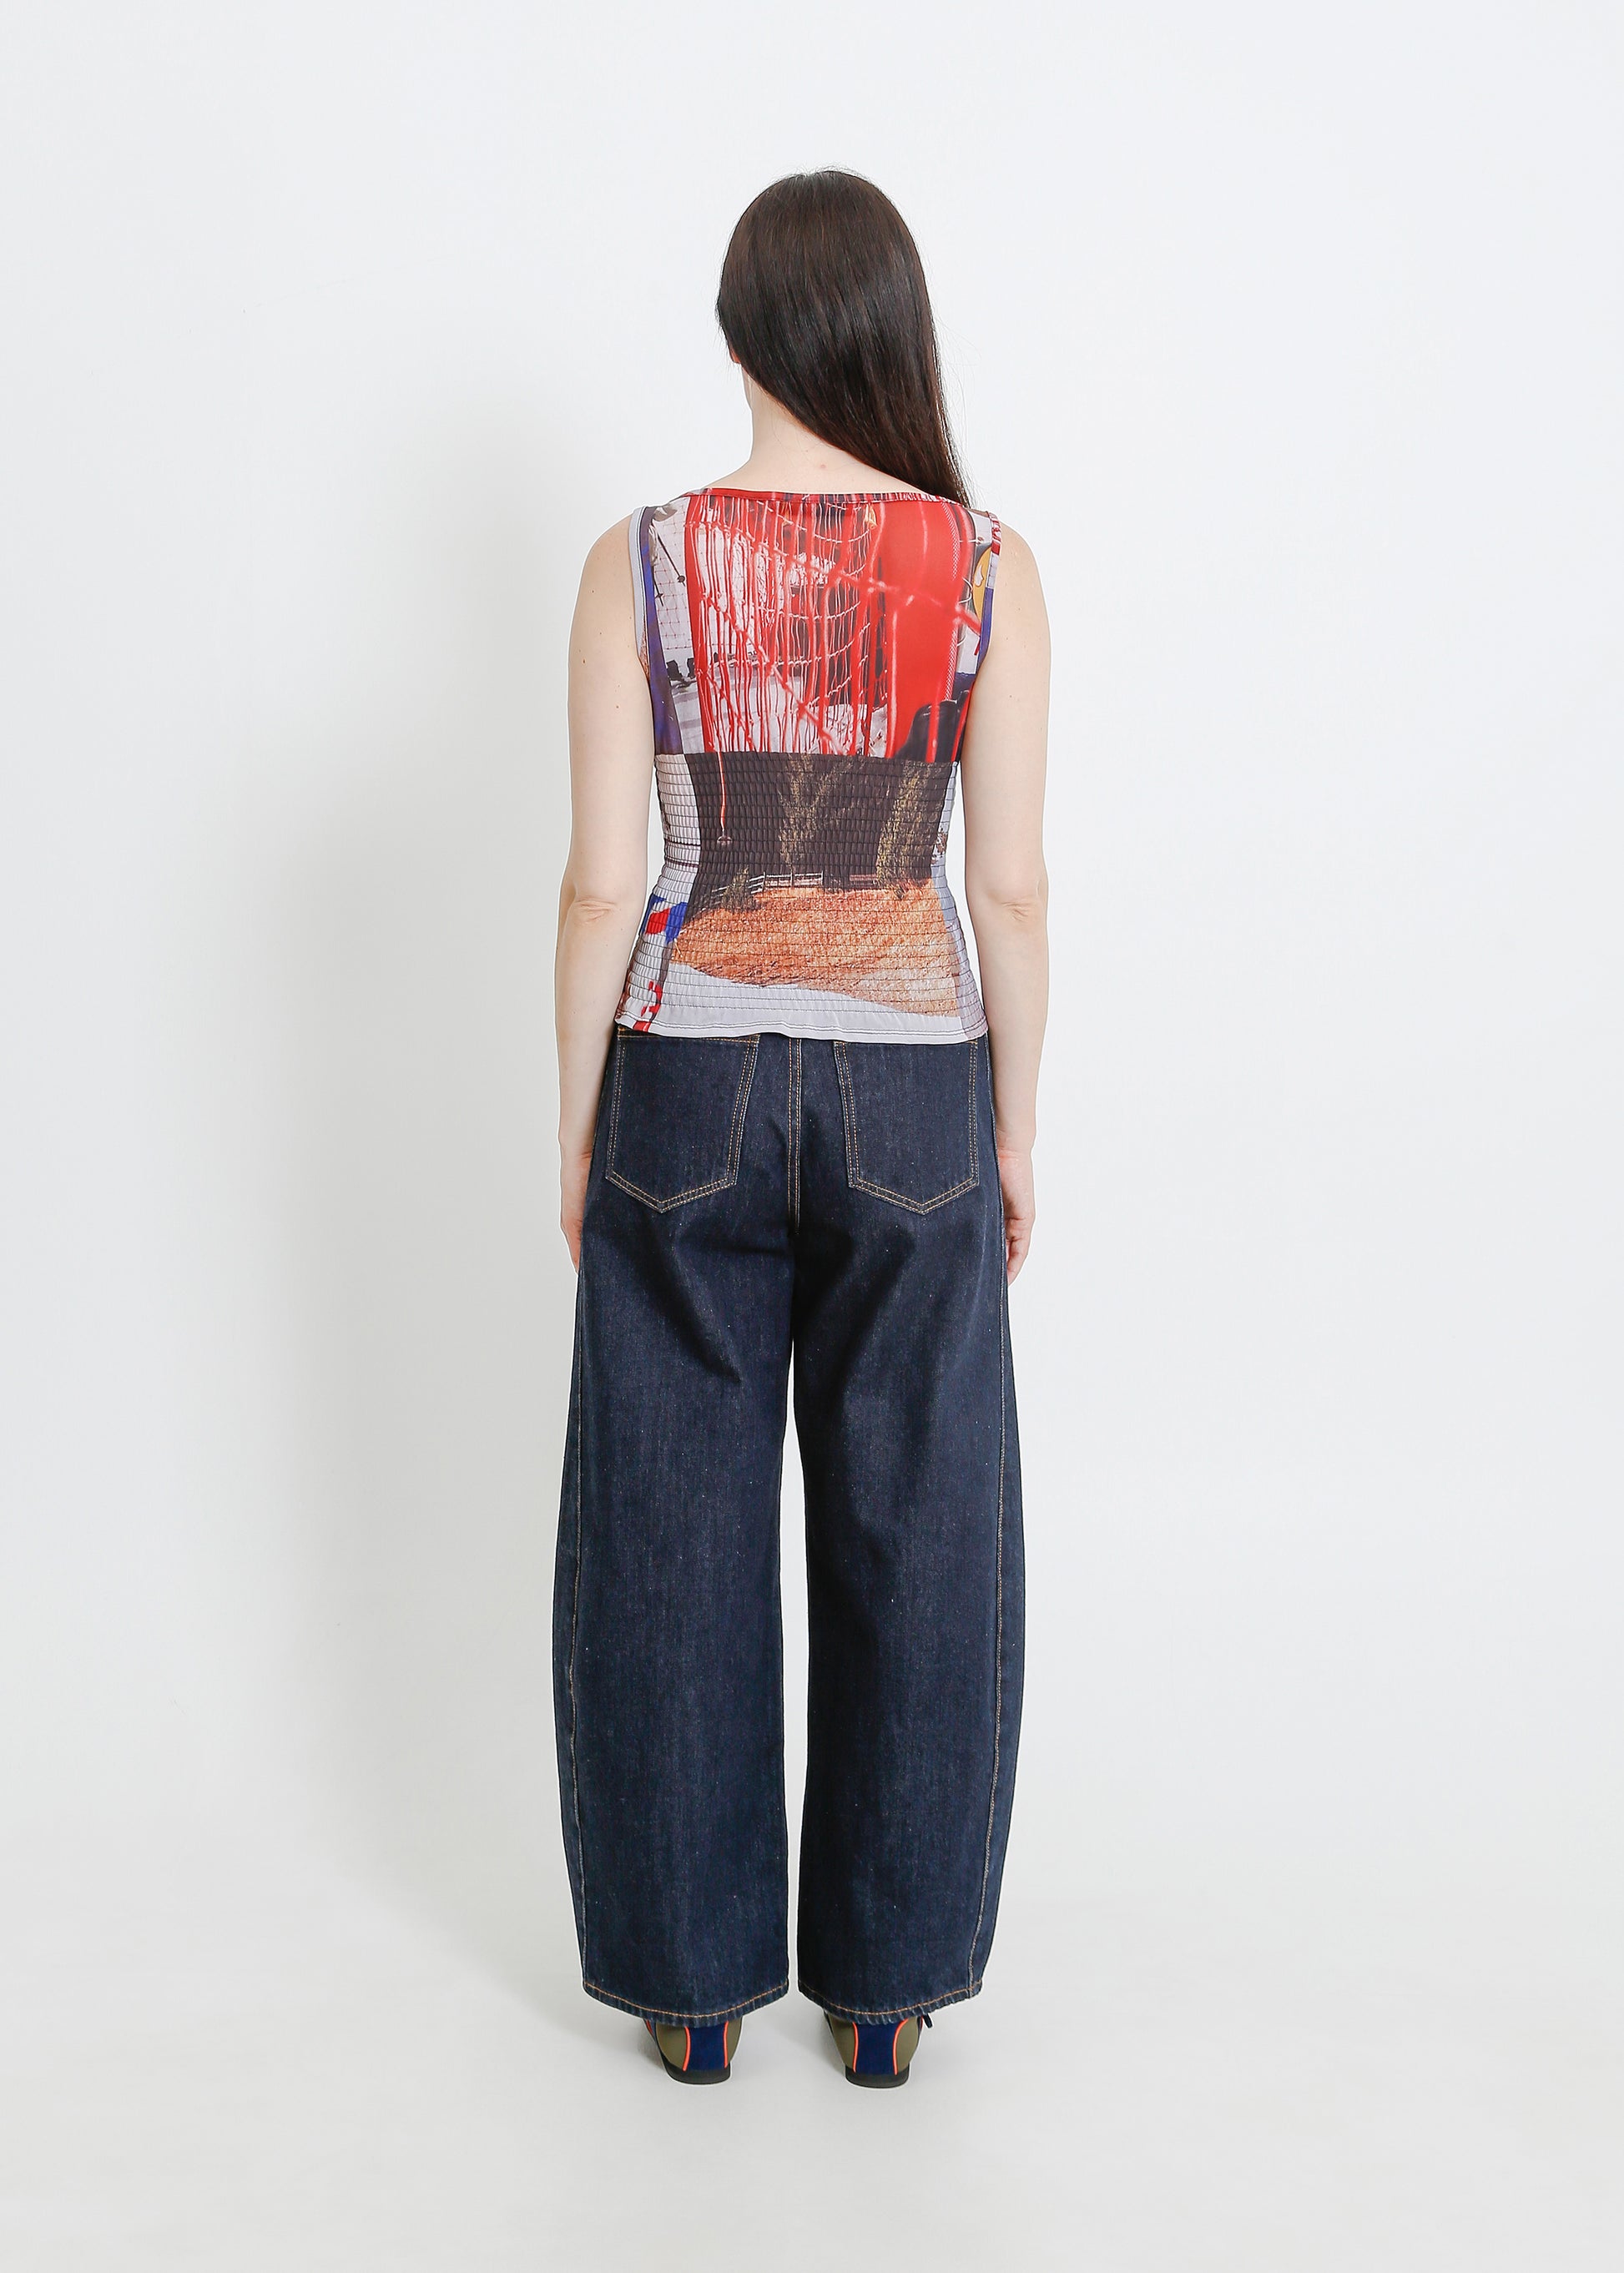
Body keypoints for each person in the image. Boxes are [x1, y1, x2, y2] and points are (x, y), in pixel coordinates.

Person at [552, 170, 1050, 2089]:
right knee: (921, 1512)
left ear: (738, 332)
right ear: (888, 330)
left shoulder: (639, 561)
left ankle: (690, 1999)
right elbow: (1008, 891)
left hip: (684, 1070)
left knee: (666, 1519)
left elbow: (603, 886)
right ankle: (888, 1991)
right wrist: (1011, 1128)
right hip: (913, 1076)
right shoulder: (986, 569)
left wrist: (580, 1121)